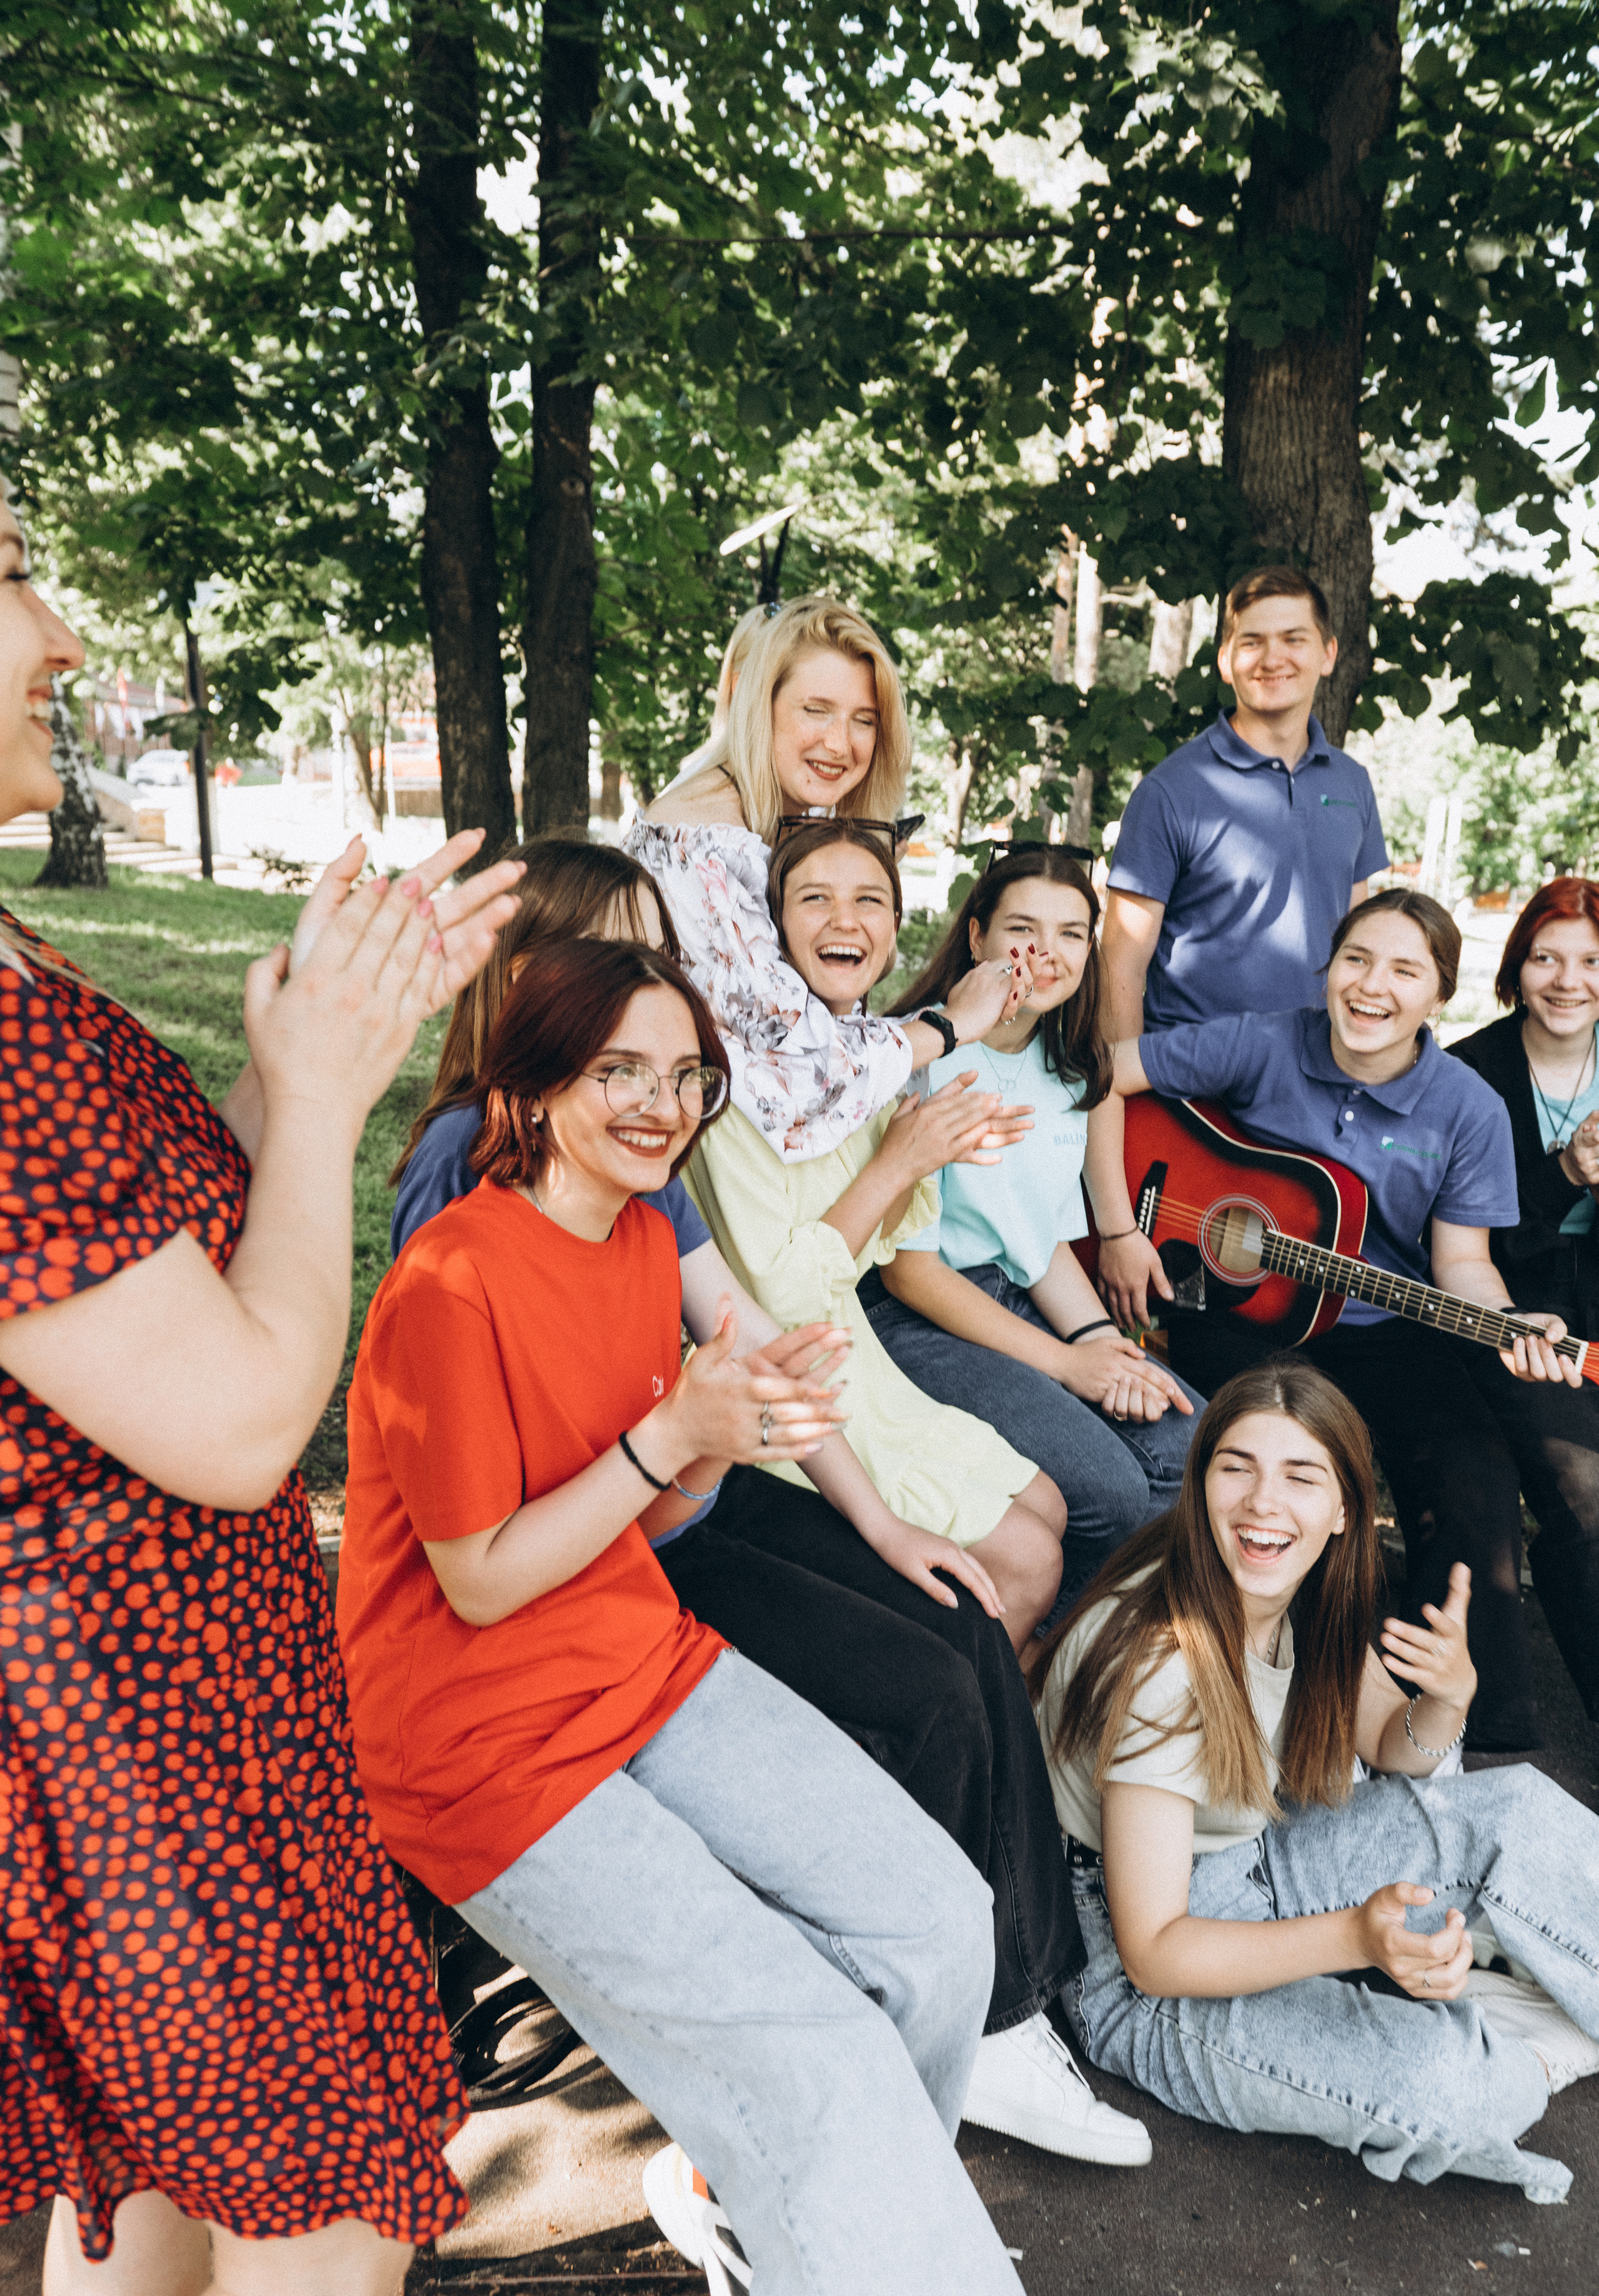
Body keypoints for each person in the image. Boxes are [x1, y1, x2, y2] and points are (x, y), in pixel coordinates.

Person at [395, 833, 1146, 2165]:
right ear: (532, 980)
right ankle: (992, 2013)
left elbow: (746, 1333)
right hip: (602, 1550)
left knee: (962, 1613)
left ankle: (1017, 1992)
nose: (656, 976)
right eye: (619, 948)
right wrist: (669, 1445)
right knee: (919, 1688)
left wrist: (879, 1518)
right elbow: (485, 1490)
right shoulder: (471, 1173)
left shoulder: (650, 1138)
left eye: (664, 948)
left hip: (695, 1496)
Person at [0, 503, 529, 2295]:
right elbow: (235, 1423)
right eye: (7, 575)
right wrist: (320, 1106)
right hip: (135, 1743)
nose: (61, 630)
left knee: (150, 2198)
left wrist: (290, 1060)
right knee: (328, 2201)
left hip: (170, 1714)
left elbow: (142, 1276)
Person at [337, 935, 1032, 2295]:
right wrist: (674, 1434)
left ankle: (780, 2209)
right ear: (531, 1092)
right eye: (619, 1072)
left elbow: (645, 1520)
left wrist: (721, 1432)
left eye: (685, 1075)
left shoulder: (646, 1233)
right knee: (818, 2047)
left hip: (634, 1661)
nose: (660, 1103)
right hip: (479, 1742)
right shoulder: (450, 1278)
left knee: (944, 1924)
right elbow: (478, 1574)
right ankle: (853, 2236)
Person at [1031, 1359, 1599, 2203]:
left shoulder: (1301, 1587)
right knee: (1465, 2091)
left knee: (1514, 1804)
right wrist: (1358, 1939)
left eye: (1300, 1476)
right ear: (1200, 1487)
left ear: (1343, 1512)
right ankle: (1520, 2023)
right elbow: (1153, 1953)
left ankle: (1520, 1991)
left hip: (1253, 1857)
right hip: (1137, 1973)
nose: (1265, 1502)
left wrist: (1447, 1703)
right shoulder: (1162, 1658)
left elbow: (1384, 1739)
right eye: (1237, 1468)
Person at [1095, 888, 1575, 1752]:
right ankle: (1288, 1705)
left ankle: (1465, 1730)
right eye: (1356, 960)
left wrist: (1511, 1324)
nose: (1371, 986)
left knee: (1473, 1477)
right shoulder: (1261, 1039)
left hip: (1382, 1328)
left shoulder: (1468, 1107)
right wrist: (1119, 1228)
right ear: (1329, 969)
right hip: (1237, 1314)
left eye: (1404, 969)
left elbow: (1461, 1263)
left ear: (1441, 994)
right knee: (1292, 1460)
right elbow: (1103, 1075)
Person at [686, 819, 1070, 1647]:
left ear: (898, 930)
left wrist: (932, 1149)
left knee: (1050, 1504)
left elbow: (872, 1252)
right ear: (774, 929)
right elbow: (776, 1304)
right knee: (1031, 1560)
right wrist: (898, 1165)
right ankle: (964, 1730)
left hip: (864, 1371)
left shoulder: (872, 1061)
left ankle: (993, 1715)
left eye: (870, 901)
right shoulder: (743, 1087)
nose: (845, 921)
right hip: (791, 1392)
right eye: (814, 899)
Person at [868, 844, 1201, 1615]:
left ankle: (1107, 1658)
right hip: (916, 1316)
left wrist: (1096, 1341)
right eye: (1022, 928)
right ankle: (1051, 1657)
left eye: (1071, 933)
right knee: (1115, 1492)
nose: (1046, 954)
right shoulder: (926, 1056)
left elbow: (1040, 1241)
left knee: (1194, 1442)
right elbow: (906, 1273)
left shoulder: (1066, 1065)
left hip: (1015, 1301)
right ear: (977, 936)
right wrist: (1065, 1363)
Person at [628, 593, 1032, 1160]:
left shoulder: (794, 816)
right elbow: (796, 1074)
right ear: (759, 704)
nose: (840, 744)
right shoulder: (700, 843)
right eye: (815, 711)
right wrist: (948, 1027)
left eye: (863, 720)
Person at [1100, 567, 1387, 1041]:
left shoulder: (1352, 782)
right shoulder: (1171, 791)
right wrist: (1130, 1094)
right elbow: (1120, 967)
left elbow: (1358, 944)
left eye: (1294, 639)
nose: (1273, 658)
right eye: (1253, 642)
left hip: (1318, 1075)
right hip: (1193, 1086)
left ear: (1328, 654)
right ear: (1225, 660)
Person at [1450, 876, 1599, 1720]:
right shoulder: (1472, 1072)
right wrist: (1565, 1172)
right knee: (1585, 1498)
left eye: (1589, 961)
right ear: (1517, 966)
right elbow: (1468, 1243)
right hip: (1510, 1315)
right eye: (1546, 957)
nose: (1567, 980)